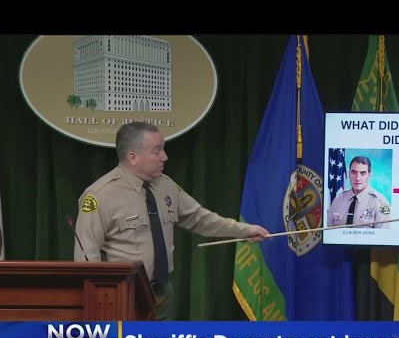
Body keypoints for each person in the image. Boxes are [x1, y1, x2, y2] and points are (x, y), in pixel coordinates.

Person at [74, 121, 269, 320]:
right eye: (156, 151)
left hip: (162, 294)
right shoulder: (100, 195)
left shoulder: (166, 186)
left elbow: (199, 218)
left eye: (163, 149)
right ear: (133, 157)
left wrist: (244, 230)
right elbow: (87, 258)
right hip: (122, 295)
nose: (164, 157)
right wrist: (99, 302)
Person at [327, 156, 391, 228]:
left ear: (369, 175)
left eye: (362, 173)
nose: (357, 178)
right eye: (354, 172)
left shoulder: (379, 203)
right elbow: (328, 231)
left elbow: (383, 234)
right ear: (349, 174)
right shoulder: (338, 200)